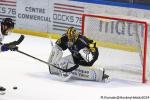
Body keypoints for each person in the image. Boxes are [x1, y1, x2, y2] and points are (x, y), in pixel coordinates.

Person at [0, 18, 18, 92]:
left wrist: (8, 46)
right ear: (4, 26)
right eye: (9, 29)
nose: (9, 31)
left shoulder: (2, 31)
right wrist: (7, 47)